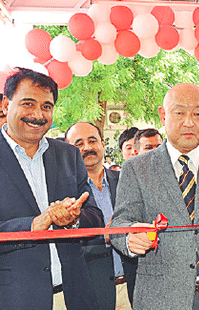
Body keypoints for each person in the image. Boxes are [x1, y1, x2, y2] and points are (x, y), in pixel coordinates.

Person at [110, 83, 199, 310]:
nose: (189, 122)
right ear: (163, 115)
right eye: (179, 113)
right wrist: (129, 238)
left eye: (197, 114)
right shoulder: (137, 168)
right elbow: (120, 223)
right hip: (160, 297)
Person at [0, 68, 103, 310]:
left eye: (46, 106)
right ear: (5, 104)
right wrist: (34, 224)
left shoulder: (68, 155)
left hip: (74, 296)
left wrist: (73, 218)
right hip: (14, 299)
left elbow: (95, 217)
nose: (38, 114)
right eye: (28, 104)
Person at [65, 122, 137, 309]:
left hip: (132, 287)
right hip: (90, 293)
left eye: (92, 141)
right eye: (78, 144)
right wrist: (108, 234)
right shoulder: (64, 191)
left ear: (103, 144)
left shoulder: (126, 181)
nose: (87, 148)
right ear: (67, 150)